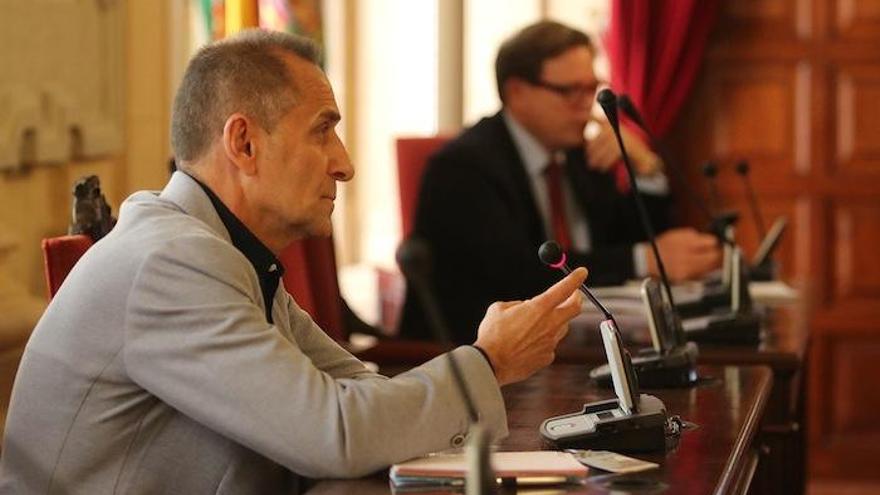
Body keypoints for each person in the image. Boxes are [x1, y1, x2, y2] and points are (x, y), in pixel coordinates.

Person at [0, 31, 587, 493]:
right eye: (323, 132)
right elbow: (336, 433)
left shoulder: (220, 248)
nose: (345, 164)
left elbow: (357, 385)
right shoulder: (170, 262)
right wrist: (490, 361)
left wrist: (463, 378)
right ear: (244, 144)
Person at [399, 21, 721, 344]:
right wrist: (642, 259)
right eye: (570, 91)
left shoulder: (578, 154)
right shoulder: (463, 167)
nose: (586, 106)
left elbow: (632, 237)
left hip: (572, 344)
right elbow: (517, 275)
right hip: (469, 355)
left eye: (590, 89)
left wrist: (644, 167)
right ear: (517, 93)